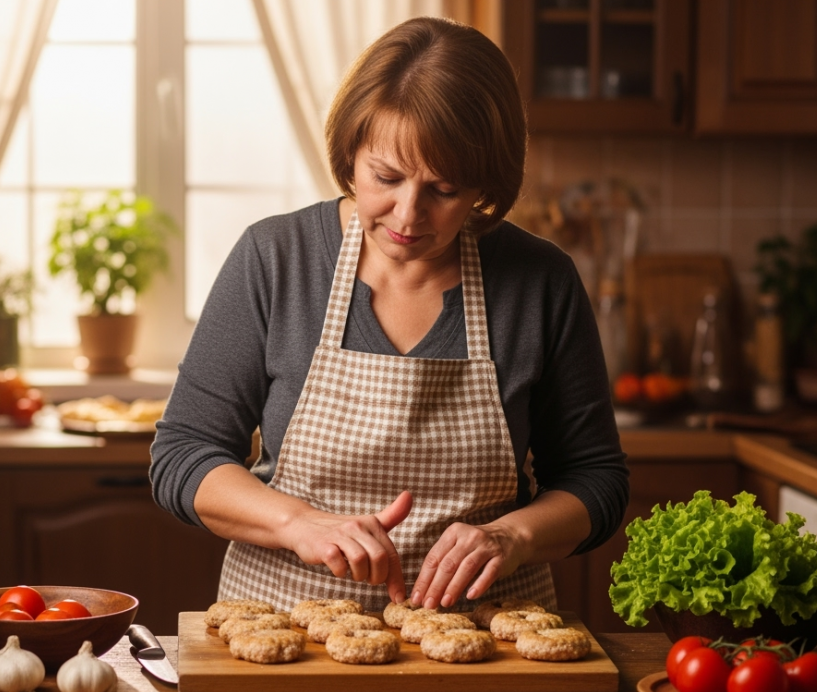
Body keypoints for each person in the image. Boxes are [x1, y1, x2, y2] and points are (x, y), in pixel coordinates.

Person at [149, 16, 627, 613]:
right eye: (386, 177)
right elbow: (183, 455)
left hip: (484, 640)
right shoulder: (275, 259)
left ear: (484, 182)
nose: (407, 215)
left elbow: (596, 479)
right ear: (351, 152)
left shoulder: (540, 282)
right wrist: (298, 523)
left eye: (445, 189)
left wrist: (515, 535)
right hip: (289, 631)